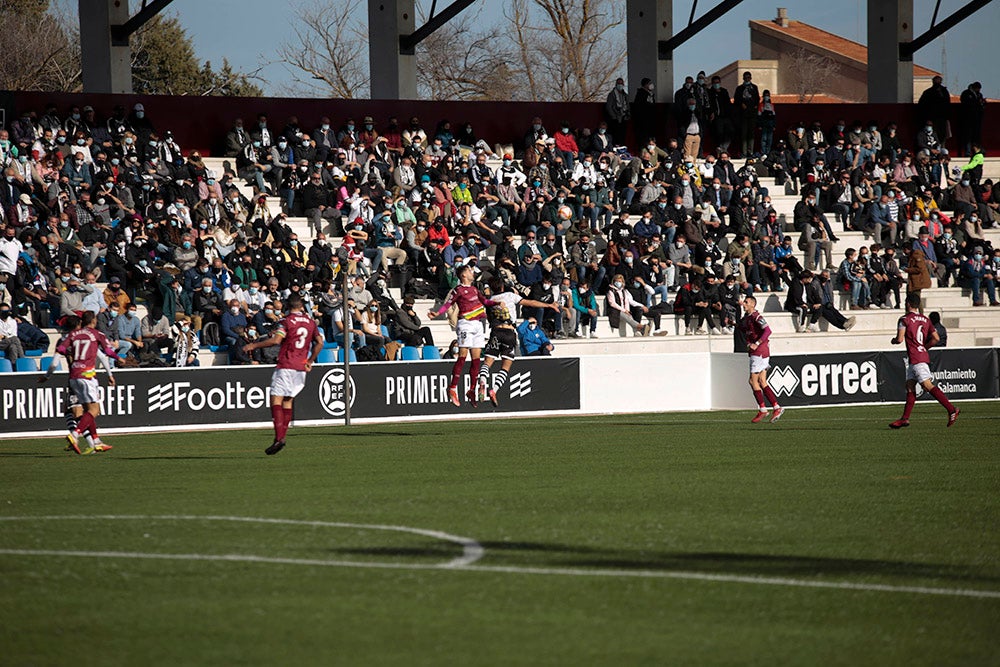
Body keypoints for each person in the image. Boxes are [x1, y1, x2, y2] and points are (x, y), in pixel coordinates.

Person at [242, 294, 324, 455]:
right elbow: (320, 343)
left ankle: (279, 437)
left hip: (286, 364)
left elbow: (276, 341)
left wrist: (254, 345)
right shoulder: (311, 322)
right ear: (301, 306)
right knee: (288, 400)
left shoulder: (285, 322)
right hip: (300, 367)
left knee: (275, 399)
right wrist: (310, 361)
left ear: (287, 306)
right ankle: (281, 437)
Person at [41, 311, 120, 455]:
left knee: (84, 409)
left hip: (73, 377)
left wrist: (47, 376)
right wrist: (117, 361)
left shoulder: (67, 338)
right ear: (93, 321)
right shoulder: (94, 335)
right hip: (87, 376)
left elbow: (55, 360)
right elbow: (105, 353)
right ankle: (76, 435)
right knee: (93, 410)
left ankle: (96, 442)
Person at [477, 276, 559, 406]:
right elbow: (531, 303)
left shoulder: (490, 301)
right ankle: (494, 390)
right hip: (509, 333)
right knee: (506, 366)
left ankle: (482, 382)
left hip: (496, 332)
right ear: (503, 286)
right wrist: (549, 305)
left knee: (487, 363)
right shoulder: (510, 296)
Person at [428, 265, 495, 407]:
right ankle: (452, 388)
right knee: (463, 357)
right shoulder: (458, 290)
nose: (472, 272)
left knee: (477, 360)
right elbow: (448, 304)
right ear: (463, 275)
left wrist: (497, 303)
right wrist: (437, 313)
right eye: (469, 271)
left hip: (478, 325)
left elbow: (486, 302)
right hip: (465, 323)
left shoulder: (475, 289)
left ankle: (471, 390)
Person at [889, 292, 959, 429]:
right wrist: (924, 347)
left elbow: (899, 339)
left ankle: (951, 409)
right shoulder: (926, 319)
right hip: (921, 355)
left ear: (908, 304)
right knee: (910, 385)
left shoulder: (904, 319)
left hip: (916, 357)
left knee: (927, 385)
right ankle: (905, 418)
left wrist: (893, 340)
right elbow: (936, 338)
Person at [738, 295, 783, 424]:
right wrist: (733, 324)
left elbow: (768, 331)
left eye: (746, 302)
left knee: (753, 381)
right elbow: (746, 330)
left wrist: (757, 343)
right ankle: (776, 407)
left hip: (759, 352)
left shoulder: (757, 316)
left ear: (753, 304)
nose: (744, 304)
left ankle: (763, 409)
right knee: (762, 381)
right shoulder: (748, 318)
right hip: (761, 352)